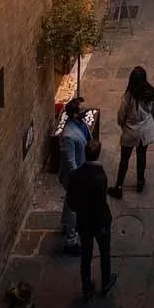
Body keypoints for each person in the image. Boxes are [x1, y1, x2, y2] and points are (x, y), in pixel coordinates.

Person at [66, 139, 116, 300]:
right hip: (99, 223)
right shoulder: (100, 177)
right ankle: (106, 283)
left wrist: (79, 210)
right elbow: (100, 205)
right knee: (105, 252)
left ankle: (86, 287)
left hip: (83, 222)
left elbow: (70, 201)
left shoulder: (75, 175)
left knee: (86, 255)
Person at [110, 66, 154, 198]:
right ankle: (140, 182)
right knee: (142, 156)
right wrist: (151, 126)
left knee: (124, 159)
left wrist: (123, 126)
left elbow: (121, 115)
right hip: (145, 131)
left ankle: (119, 186)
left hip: (130, 131)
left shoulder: (128, 96)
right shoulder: (150, 93)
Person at [57, 96, 89, 254]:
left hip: (81, 172)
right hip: (74, 177)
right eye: (82, 109)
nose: (85, 111)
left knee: (70, 204)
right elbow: (70, 161)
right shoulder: (68, 135)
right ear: (75, 114)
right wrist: (79, 180)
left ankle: (64, 224)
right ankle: (71, 240)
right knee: (75, 208)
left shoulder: (80, 124)